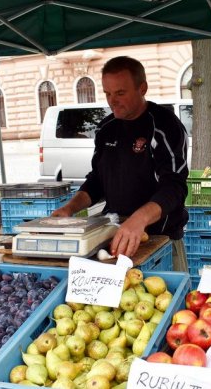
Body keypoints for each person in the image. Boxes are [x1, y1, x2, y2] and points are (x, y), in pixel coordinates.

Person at [52, 56, 189, 272]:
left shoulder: (165, 126)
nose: (112, 101)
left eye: (120, 93)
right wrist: (70, 208)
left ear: (142, 88)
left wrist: (139, 220)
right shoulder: (106, 128)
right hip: (114, 238)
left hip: (161, 241)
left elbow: (175, 187)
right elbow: (97, 181)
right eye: (107, 93)